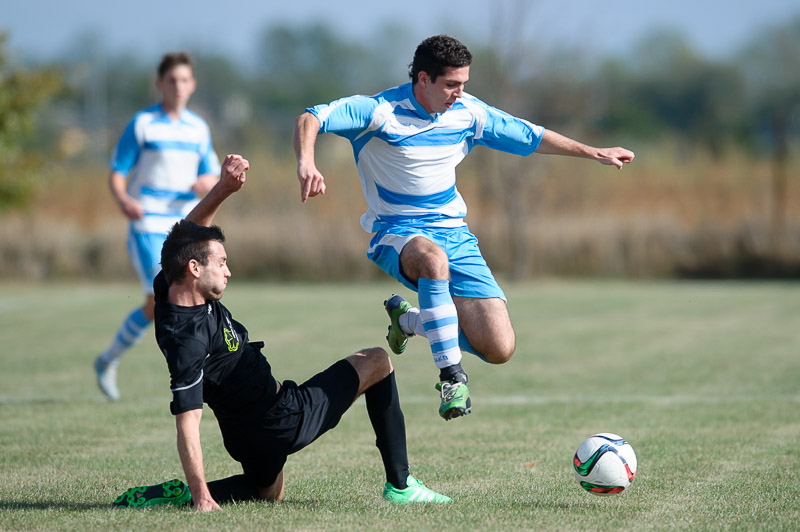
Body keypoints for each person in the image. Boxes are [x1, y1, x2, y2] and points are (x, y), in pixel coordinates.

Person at [293, 35, 635, 421]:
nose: (459, 93)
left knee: (499, 348)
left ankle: (408, 321)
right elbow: (311, 118)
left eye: (464, 84)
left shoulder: (468, 112)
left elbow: (529, 135)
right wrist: (307, 162)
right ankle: (452, 378)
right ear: (423, 79)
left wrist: (594, 152)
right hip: (397, 232)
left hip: (455, 235)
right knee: (432, 261)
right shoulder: (379, 112)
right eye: (451, 85)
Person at [112, 154, 451, 511]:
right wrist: (203, 500)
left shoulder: (171, 288)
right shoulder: (188, 342)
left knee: (268, 493)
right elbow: (187, 422)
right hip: (280, 419)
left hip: (243, 435)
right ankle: (401, 485)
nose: (228, 271)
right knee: (378, 361)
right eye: (222, 263)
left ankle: (180, 495)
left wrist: (223, 189)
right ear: (195, 269)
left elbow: (186, 237)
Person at [95, 52, 221, 401]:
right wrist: (123, 199)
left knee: (171, 301)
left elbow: (211, 173)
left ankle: (108, 360)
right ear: (160, 84)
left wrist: (206, 181)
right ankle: (184, 371)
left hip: (185, 226)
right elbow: (118, 172)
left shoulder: (198, 128)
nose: (178, 86)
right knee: (163, 296)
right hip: (147, 222)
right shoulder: (143, 124)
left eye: (184, 80)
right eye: (172, 80)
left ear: (192, 85)